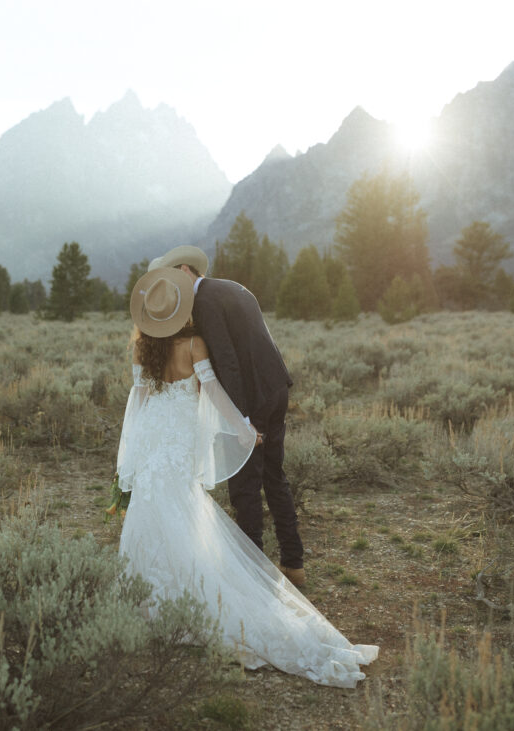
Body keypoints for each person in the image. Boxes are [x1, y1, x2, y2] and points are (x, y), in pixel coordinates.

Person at [116, 267, 378, 688]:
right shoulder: (193, 343)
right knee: (187, 510)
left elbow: (138, 402)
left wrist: (127, 458)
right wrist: (241, 425)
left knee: (154, 514)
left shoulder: (141, 350)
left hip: (152, 445)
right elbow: (216, 390)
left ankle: (151, 604)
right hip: (179, 443)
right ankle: (250, 579)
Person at [147, 245, 305, 587]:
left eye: (175, 280)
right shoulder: (233, 287)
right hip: (276, 386)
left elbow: (228, 361)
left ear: (186, 271)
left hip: (252, 398)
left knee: (245, 486)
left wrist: (241, 419)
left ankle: (254, 576)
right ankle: (294, 564)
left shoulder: (204, 301)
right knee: (275, 476)